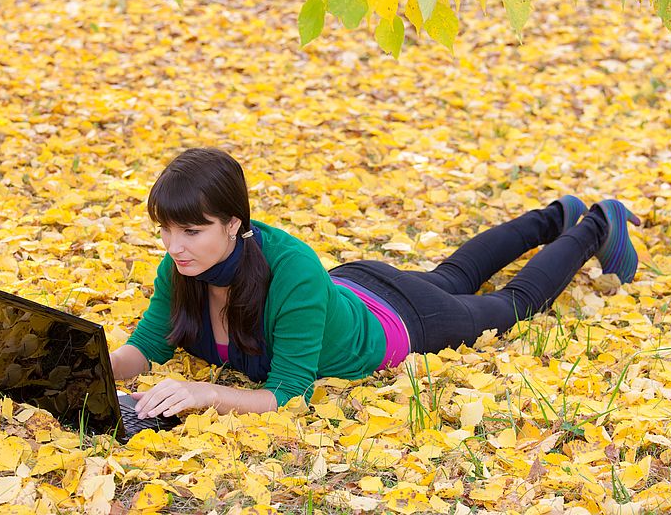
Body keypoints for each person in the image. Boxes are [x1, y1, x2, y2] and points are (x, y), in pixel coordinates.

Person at [110, 148, 641, 419]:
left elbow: (286, 396)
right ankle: (554, 216)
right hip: (351, 287)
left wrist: (201, 393)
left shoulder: (289, 268)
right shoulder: (182, 268)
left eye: (191, 230)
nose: (173, 245)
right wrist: (85, 365)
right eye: (166, 230)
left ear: (234, 223)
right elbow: (147, 346)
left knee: (512, 304)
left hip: (403, 322)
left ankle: (596, 221)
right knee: (451, 275)